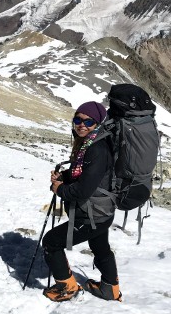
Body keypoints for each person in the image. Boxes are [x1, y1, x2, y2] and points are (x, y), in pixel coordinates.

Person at [42, 101, 122, 302]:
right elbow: (87, 176)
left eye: (88, 121)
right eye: (78, 119)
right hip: (102, 211)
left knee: (51, 242)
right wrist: (65, 177)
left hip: (91, 214)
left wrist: (60, 188)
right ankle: (110, 289)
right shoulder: (92, 143)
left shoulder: (97, 149)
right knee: (100, 247)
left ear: (98, 123)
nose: (81, 124)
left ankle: (67, 287)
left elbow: (83, 190)